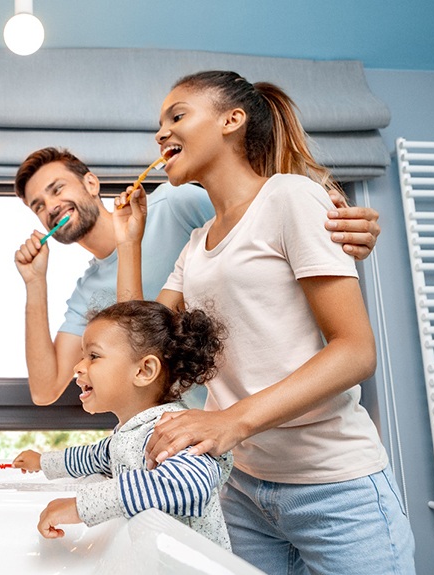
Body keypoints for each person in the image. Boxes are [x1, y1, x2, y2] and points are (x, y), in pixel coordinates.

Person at [113, 71, 415, 574]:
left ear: (232, 121)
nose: (161, 134)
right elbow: (140, 348)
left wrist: (231, 420)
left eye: (177, 116)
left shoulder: (290, 198)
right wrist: (129, 242)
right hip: (243, 488)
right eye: (159, 125)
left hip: (333, 486)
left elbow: (355, 352)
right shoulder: (197, 244)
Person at [13, 147, 381, 408]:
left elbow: (266, 216)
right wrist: (34, 283)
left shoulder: (175, 203)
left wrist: (327, 213)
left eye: (57, 189)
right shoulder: (86, 293)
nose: (50, 206)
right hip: (209, 432)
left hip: (288, 406)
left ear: (91, 184)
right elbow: (45, 390)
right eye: (38, 206)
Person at [12, 300, 233, 549]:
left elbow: (186, 484)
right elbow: (92, 456)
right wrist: (43, 462)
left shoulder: (173, 432)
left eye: (93, 356)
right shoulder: (131, 432)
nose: (78, 366)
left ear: (144, 371)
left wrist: (80, 507)